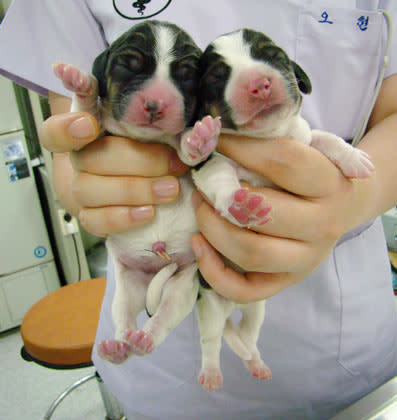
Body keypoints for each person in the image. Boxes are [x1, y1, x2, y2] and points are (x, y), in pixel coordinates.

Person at [1, 1, 397, 419]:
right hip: (170, 363)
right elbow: (71, 149)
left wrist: (356, 198)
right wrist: (89, 176)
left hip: (350, 345)